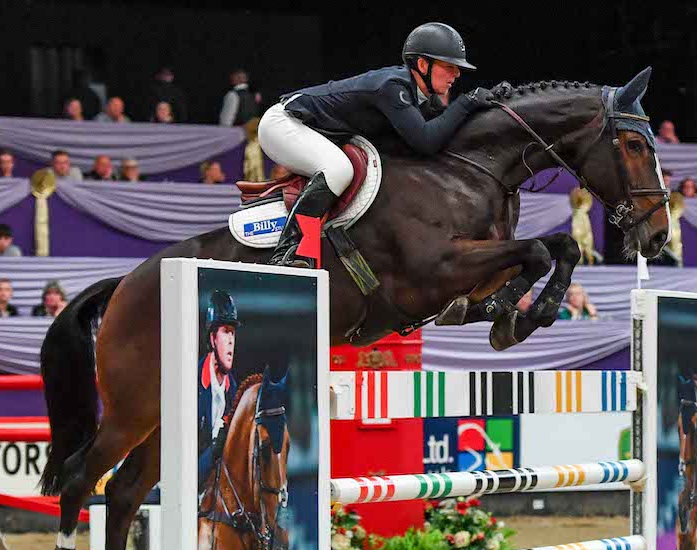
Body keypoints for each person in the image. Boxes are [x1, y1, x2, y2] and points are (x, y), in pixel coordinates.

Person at [257, 21, 495, 266]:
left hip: (310, 128)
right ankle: (285, 254)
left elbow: (440, 131)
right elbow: (426, 141)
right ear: (423, 65)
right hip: (283, 124)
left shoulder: (417, 95)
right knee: (338, 169)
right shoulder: (393, 87)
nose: (457, 75)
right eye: (449, 67)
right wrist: (466, 103)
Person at [197, 290, 241, 486]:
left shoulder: (235, 392)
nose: (231, 339)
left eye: (233, 332)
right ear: (213, 338)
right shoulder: (191, 384)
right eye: (225, 331)